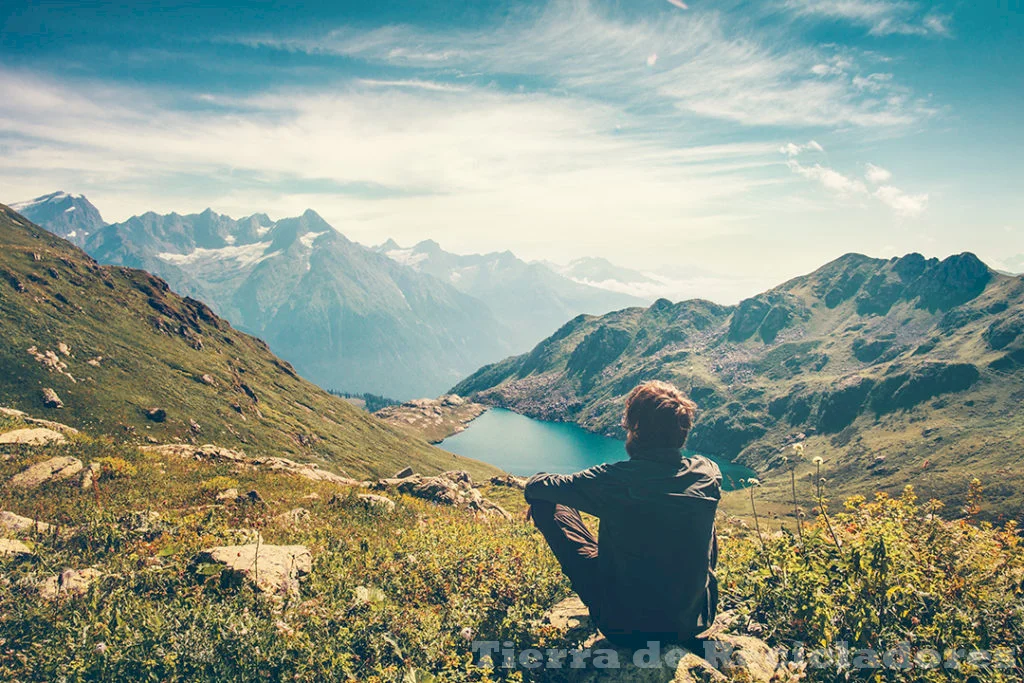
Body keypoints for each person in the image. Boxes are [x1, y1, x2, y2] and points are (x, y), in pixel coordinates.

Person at [524, 380, 721, 648]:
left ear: (636, 430)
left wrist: (542, 497)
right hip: (694, 622)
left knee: (548, 501)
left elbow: (536, 486)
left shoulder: (614, 481)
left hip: (626, 627)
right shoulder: (708, 473)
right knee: (700, 511)